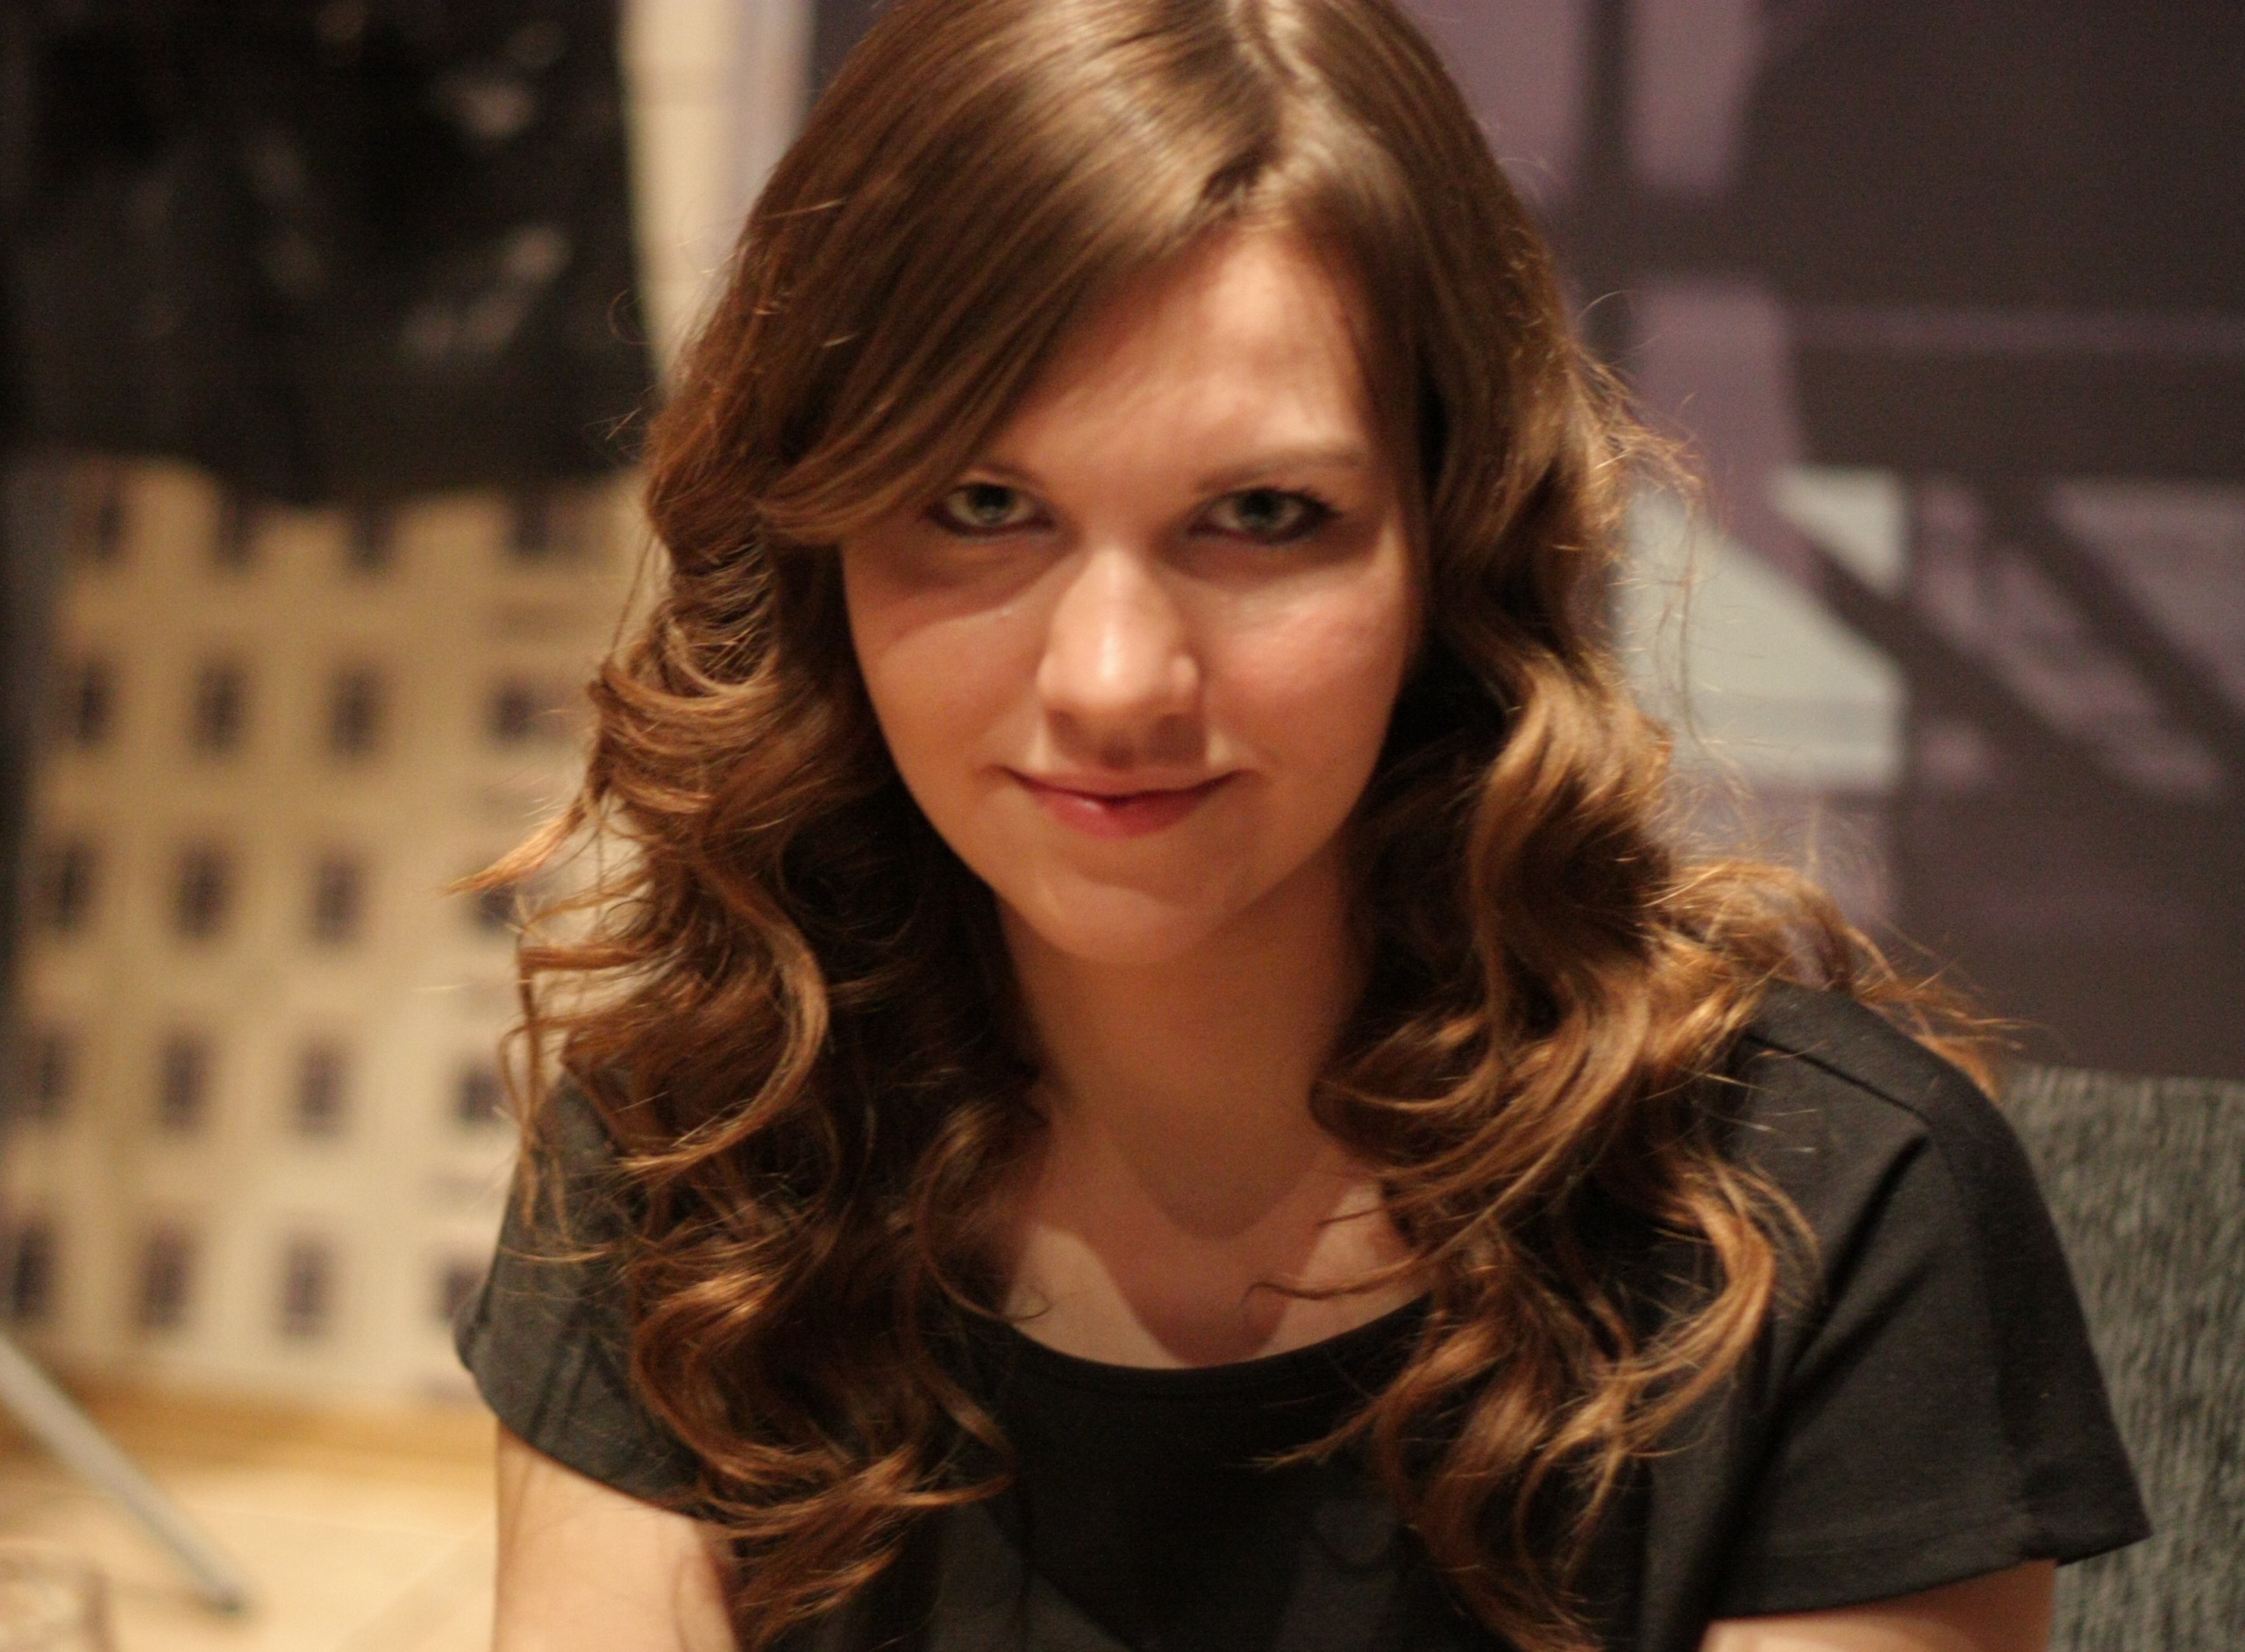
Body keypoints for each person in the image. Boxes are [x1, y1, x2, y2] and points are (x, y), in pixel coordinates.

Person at [460, 3, 2148, 1648]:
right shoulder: (699, 1145)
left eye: (1263, 515)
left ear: (1456, 539)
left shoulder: (1827, 1214)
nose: (1114, 679)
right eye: (982, 504)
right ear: (814, 540)